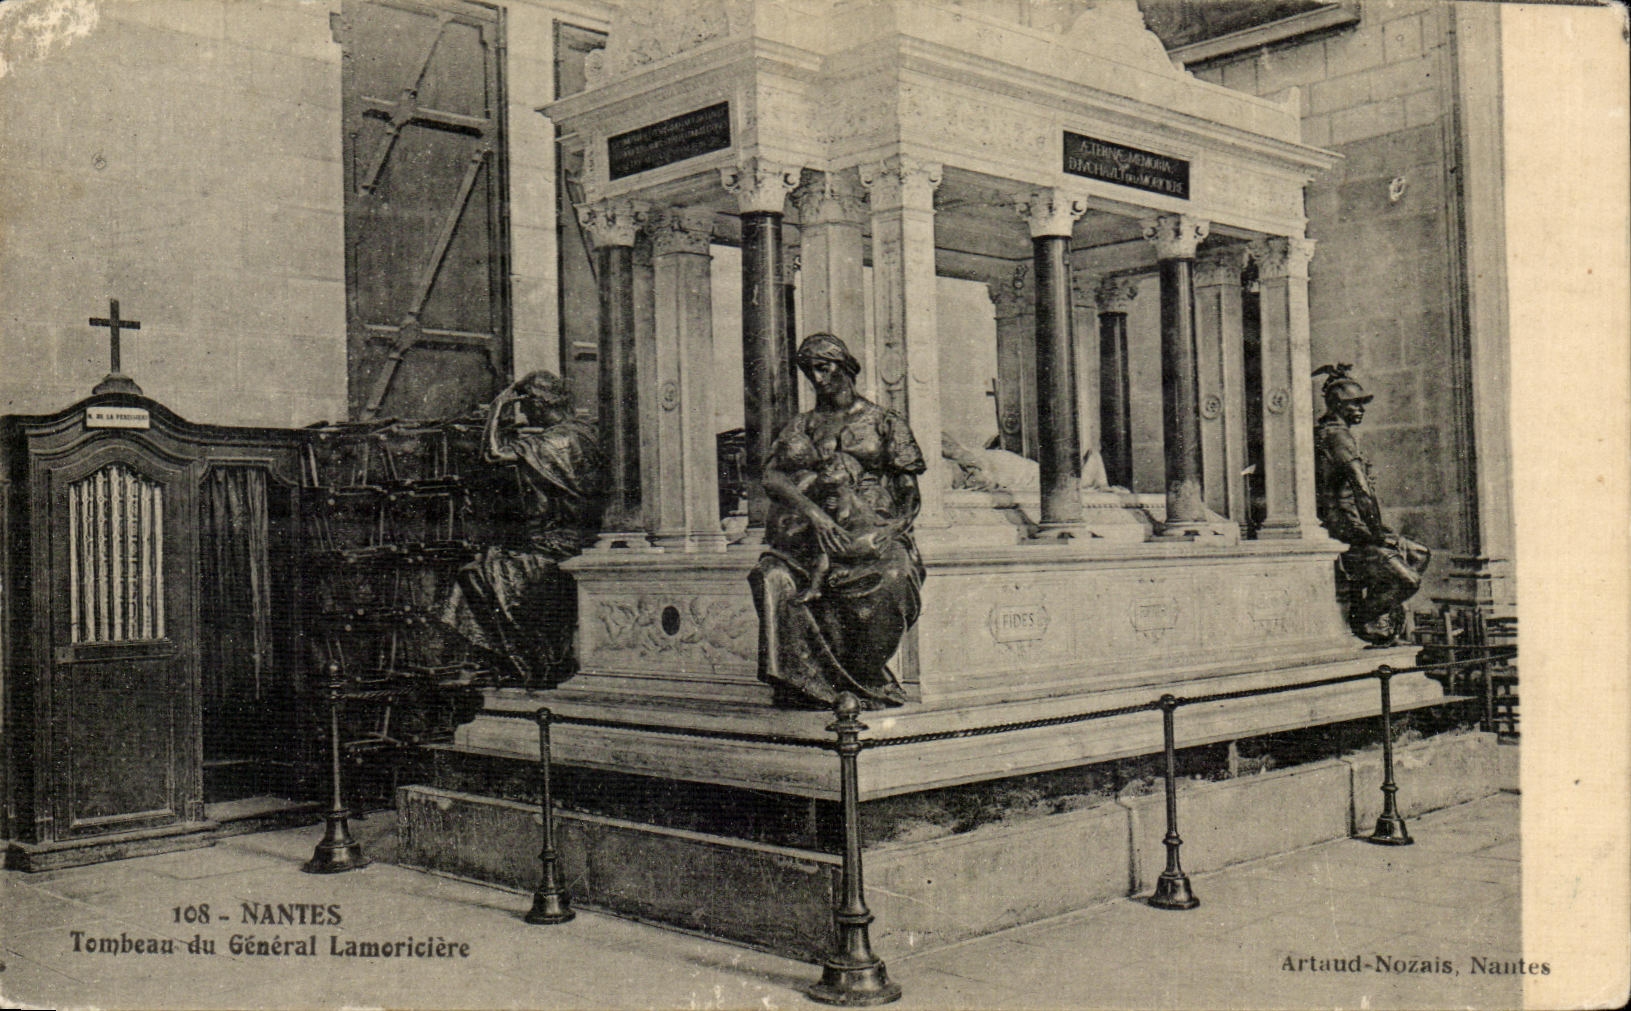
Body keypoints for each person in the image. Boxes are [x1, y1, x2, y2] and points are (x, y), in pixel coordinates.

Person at [749, 334, 927, 709]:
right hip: (808, 538)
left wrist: (892, 530)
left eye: (823, 367)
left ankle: (865, 677)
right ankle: (806, 685)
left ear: (844, 366)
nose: (817, 378)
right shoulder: (803, 426)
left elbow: (909, 493)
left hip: (872, 529)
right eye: (809, 370)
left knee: (895, 573)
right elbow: (771, 476)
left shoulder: (884, 421)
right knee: (771, 576)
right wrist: (814, 515)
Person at [440, 371, 604, 687]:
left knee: (473, 575)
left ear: (539, 404)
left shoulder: (557, 440)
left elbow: (493, 453)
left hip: (561, 545)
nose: (524, 414)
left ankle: (521, 661)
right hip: (571, 539)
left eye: (525, 406)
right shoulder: (585, 432)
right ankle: (519, 660)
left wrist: (496, 410)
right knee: (485, 569)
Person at [1313, 364, 1431, 645]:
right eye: (1355, 404)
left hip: (1355, 523)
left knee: (1419, 554)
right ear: (1338, 404)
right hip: (1348, 527)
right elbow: (1362, 490)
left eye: (1362, 404)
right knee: (1409, 581)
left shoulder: (1339, 433)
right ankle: (1362, 619)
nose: (1361, 409)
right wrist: (1377, 532)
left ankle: (1379, 611)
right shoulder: (1336, 435)